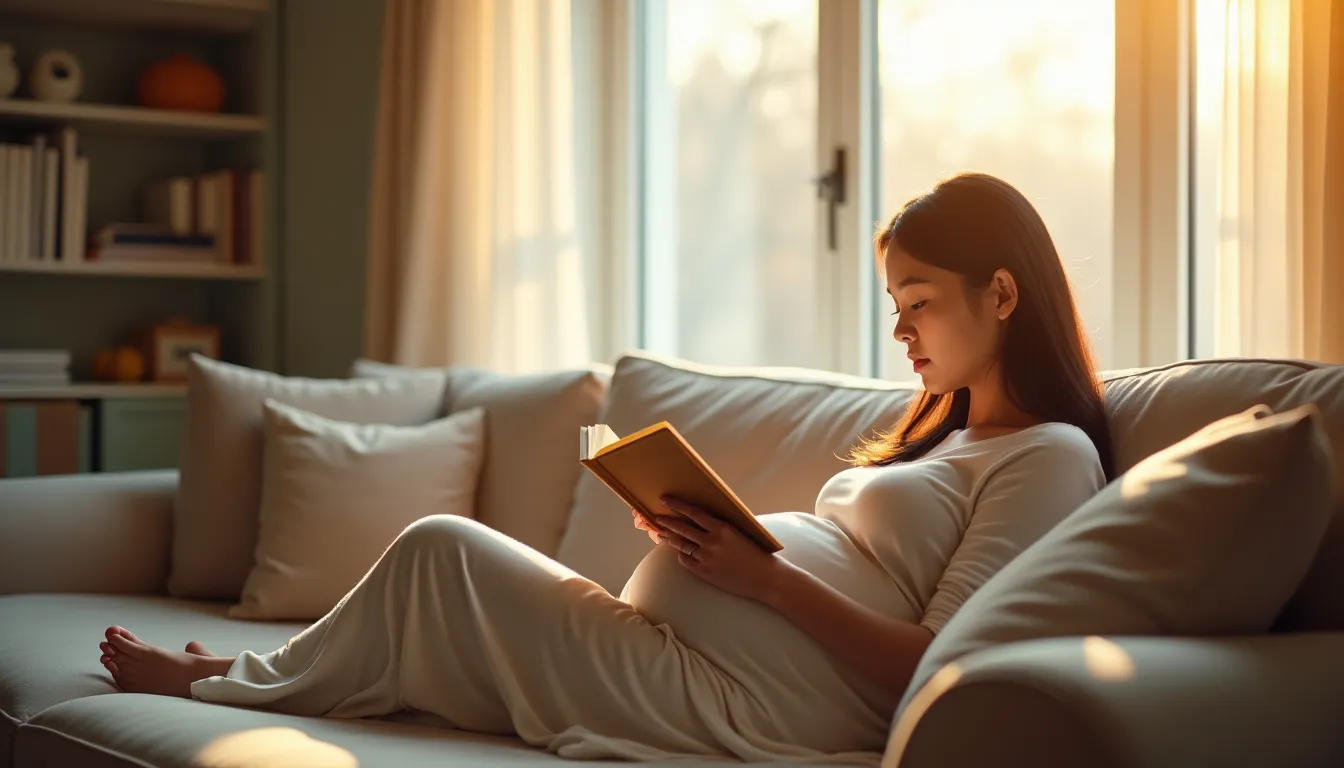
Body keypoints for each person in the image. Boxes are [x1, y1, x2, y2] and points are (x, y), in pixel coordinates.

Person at [96, 172, 1112, 764]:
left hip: (784, 710)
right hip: (719, 657)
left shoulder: (1049, 456)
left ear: (1005, 293)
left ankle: (229, 680)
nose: (900, 328)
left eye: (919, 299)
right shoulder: (944, 432)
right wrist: (704, 541)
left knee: (440, 553)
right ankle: (246, 674)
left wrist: (761, 578)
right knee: (449, 584)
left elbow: (939, 661)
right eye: (894, 303)